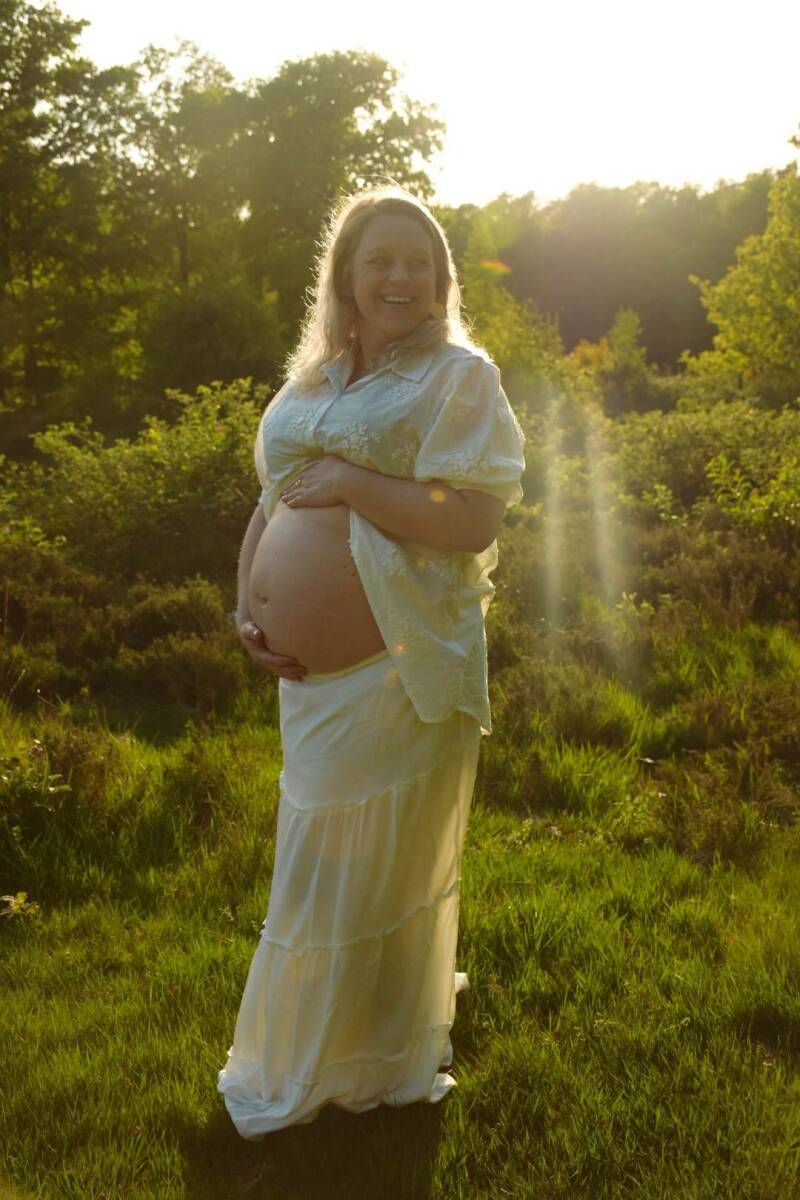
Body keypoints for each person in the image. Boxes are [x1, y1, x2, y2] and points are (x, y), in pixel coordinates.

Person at [217, 184, 526, 1140]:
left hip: (396, 670)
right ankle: (330, 1049)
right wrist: (247, 604)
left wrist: (354, 480)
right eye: (379, 260)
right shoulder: (312, 380)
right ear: (345, 275)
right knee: (324, 869)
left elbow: (473, 518)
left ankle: (362, 1064)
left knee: (363, 875)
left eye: (417, 262)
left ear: (441, 279)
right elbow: (273, 500)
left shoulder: (458, 377)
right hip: (308, 686)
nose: (400, 277)